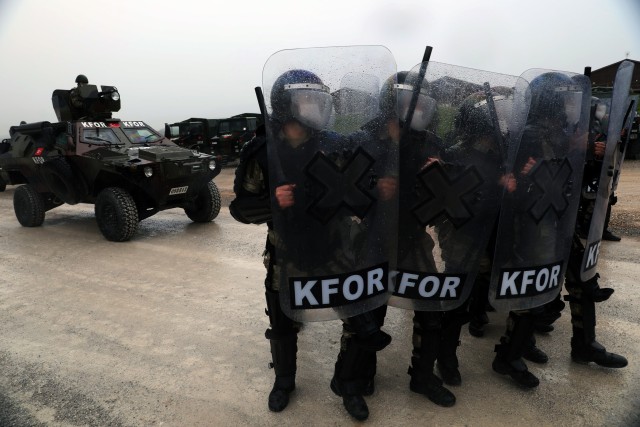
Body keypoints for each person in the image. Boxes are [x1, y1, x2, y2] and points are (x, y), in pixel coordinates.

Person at [230, 69, 390, 422]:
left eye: (321, 99)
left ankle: (347, 384)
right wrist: (272, 202)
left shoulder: (337, 145)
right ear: (284, 106)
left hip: (337, 251)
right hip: (286, 253)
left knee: (358, 319)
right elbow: (240, 208)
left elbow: (363, 190)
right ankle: (284, 381)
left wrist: (380, 188)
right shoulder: (262, 150)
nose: (317, 106)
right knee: (283, 321)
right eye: (308, 99)